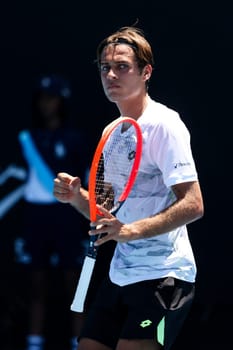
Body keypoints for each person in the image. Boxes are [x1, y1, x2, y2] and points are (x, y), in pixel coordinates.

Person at [53, 26, 204, 350]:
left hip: (164, 278)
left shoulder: (166, 126)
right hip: (120, 275)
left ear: (146, 72)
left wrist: (131, 231)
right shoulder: (113, 131)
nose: (111, 74)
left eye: (122, 66)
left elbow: (193, 205)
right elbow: (104, 214)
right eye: (104, 67)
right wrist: (75, 197)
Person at [13, 74, 91, 350]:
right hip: (35, 219)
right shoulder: (27, 138)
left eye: (53, 98)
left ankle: (77, 342)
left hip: (68, 218)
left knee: (75, 282)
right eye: (43, 99)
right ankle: (34, 343)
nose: (47, 104)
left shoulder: (76, 139)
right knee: (36, 282)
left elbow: (87, 181)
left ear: (62, 102)